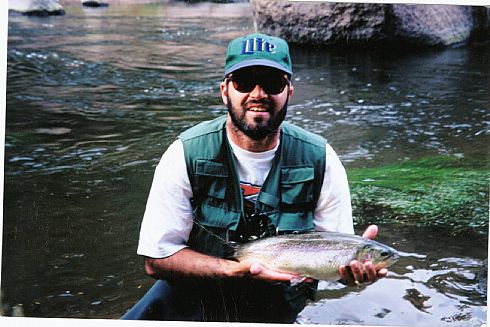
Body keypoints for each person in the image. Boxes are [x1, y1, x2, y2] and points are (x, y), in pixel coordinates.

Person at [122, 32, 388, 323]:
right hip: (193, 303)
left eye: (272, 83)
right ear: (225, 91)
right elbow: (157, 259)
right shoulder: (184, 153)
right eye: (245, 83)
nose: (258, 94)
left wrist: (351, 276)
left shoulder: (321, 158)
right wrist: (235, 269)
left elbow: (335, 265)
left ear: (289, 92)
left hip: (275, 309)